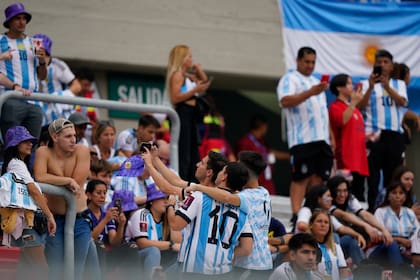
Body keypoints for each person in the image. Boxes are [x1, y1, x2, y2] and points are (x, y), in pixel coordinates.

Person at [148, 159, 253, 279]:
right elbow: (246, 248)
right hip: (225, 272)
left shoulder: (199, 196)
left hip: (196, 271)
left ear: (224, 176)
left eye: (222, 171)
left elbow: (175, 224)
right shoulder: (243, 209)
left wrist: (171, 205)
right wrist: (223, 253)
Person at [186, 151, 273, 279]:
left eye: (238, 164)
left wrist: (198, 187)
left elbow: (226, 197)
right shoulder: (263, 192)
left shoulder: (246, 197)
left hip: (250, 264)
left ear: (245, 171)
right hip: (263, 261)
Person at [276, 46, 333, 220]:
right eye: (307, 61)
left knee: (319, 179)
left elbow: (323, 112)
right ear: (298, 61)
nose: (310, 65)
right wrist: (310, 93)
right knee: (301, 177)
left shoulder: (316, 82)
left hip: (321, 140)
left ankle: (313, 213)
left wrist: (331, 136)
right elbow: (285, 101)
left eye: (313, 62)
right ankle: (295, 214)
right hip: (302, 140)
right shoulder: (290, 78)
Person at [33, 118, 92, 280]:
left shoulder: (82, 151)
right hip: (55, 220)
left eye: (74, 135)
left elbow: (77, 183)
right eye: (67, 136)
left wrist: (55, 178)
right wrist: (67, 180)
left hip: (80, 219)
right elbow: (39, 176)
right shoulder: (43, 152)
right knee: (56, 269)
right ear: (54, 137)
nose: (73, 140)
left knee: (77, 271)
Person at [0, 125, 56, 279]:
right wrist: (49, 215)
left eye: (30, 141)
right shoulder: (16, 164)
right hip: (26, 226)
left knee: (23, 272)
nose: (30, 144)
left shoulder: (15, 165)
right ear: (15, 144)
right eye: (24, 141)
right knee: (43, 271)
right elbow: (33, 191)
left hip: (23, 223)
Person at [358, 49, 408, 213]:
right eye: (379, 62)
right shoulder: (366, 84)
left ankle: (390, 210)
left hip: (394, 135)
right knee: (373, 177)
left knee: (392, 177)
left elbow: (402, 102)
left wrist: (387, 85)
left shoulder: (399, 84)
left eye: (386, 62)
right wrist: (371, 88)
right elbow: (360, 107)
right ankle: (373, 209)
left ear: (392, 66)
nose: (382, 65)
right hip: (375, 135)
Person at [164, 44, 211, 182]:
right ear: (182, 59)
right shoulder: (177, 75)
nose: (191, 59)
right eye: (189, 56)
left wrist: (199, 70)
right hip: (183, 115)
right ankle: (182, 181)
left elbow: (205, 83)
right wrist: (194, 91)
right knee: (184, 153)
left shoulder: (186, 75)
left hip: (191, 117)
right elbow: (175, 97)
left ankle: (191, 180)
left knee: (192, 152)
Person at [0, 2, 47, 140]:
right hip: (11, 99)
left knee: (31, 148)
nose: (22, 22)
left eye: (24, 18)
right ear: (9, 21)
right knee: (12, 146)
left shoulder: (34, 42)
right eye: (17, 18)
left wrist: (43, 61)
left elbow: (42, 76)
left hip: (34, 101)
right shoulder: (1, 40)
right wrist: (15, 87)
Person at [125, 183, 181, 279]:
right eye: (162, 198)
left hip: (158, 257)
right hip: (133, 257)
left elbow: (178, 243)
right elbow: (142, 243)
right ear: (151, 201)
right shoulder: (142, 214)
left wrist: (171, 211)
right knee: (153, 251)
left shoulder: (167, 217)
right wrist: (170, 245)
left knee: (182, 256)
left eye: (167, 198)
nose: (166, 201)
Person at [329, 74, 369, 202]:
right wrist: (354, 102)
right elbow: (342, 121)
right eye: (349, 83)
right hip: (345, 158)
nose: (352, 86)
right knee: (344, 193)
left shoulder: (355, 110)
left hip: (360, 158)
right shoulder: (335, 106)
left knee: (359, 194)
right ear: (339, 88)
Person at [327, 175, 393, 247]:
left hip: (347, 230)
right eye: (338, 191)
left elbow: (364, 214)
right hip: (334, 236)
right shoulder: (327, 201)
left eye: (345, 191)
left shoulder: (350, 198)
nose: (342, 195)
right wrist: (365, 226)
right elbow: (343, 215)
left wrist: (383, 230)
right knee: (351, 238)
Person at [32, 33, 80, 125]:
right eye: (37, 53)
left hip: (57, 113)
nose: (40, 57)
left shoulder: (57, 65)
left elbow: (77, 86)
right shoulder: (29, 65)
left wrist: (57, 96)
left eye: (43, 53)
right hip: (38, 114)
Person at [236, 114, 289, 195]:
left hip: (267, 182)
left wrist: (287, 156)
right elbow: (242, 164)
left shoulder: (261, 141)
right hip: (254, 183)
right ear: (263, 126)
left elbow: (269, 153)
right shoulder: (245, 142)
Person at [370, 181, 418, 267]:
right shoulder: (381, 212)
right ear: (388, 196)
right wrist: (398, 240)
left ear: (405, 197)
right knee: (392, 245)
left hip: (406, 248)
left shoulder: (409, 212)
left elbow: (417, 232)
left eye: (401, 193)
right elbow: (378, 235)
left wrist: (411, 242)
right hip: (382, 249)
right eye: (394, 193)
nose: (398, 196)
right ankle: (400, 273)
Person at [85, 179, 126, 277]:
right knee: (99, 245)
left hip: (107, 253)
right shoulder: (83, 214)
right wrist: (105, 220)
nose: (103, 196)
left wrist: (121, 225)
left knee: (131, 247)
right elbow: (89, 238)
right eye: (98, 193)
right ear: (88, 195)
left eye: (104, 193)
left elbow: (114, 242)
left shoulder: (106, 214)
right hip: (89, 253)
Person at [307, 209, 349, 280]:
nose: (323, 224)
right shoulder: (305, 247)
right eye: (319, 221)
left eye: (326, 222)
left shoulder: (336, 247)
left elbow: (343, 273)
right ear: (311, 224)